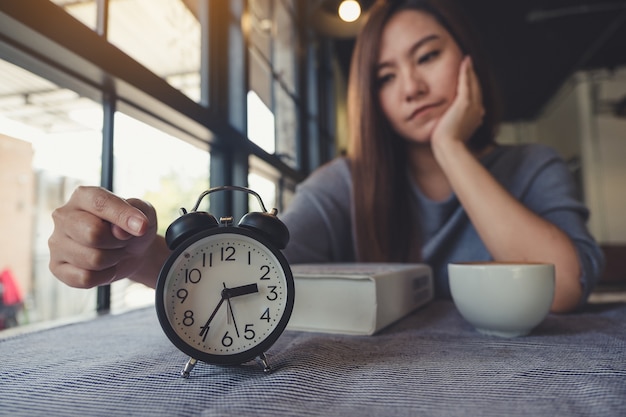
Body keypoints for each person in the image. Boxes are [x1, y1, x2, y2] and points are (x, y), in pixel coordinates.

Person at [48, 0, 604, 313]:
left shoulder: (534, 166)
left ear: (468, 60)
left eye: (427, 56)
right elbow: (259, 263)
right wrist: (139, 256)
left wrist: (450, 147)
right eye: (386, 78)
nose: (410, 88)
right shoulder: (345, 183)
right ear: (373, 102)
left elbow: (562, 287)